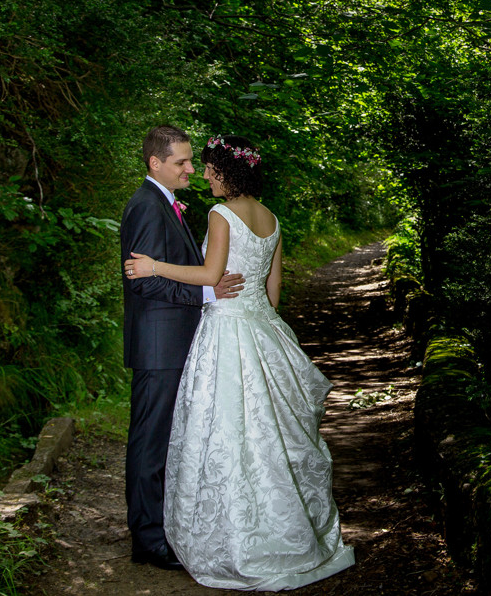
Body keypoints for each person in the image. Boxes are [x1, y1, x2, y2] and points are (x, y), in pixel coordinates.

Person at [124, 134, 354, 590]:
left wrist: (156, 267)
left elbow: (211, 275)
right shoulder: (270, 217)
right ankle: (263, 530)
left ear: (227, 171)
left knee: (224, 430)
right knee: (264, 433)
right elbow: (271, 293)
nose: (200, 172)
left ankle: (221, 533)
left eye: (206, 166)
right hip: (254, 329)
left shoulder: (219, 213)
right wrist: (233, 302)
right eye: (190, 164)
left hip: (225, 331)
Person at [120, 125, 244, 570]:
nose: (191, 168)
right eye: (182, 163)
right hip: (158, 347)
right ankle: (148, 540)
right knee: (150, 444)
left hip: (171, 343)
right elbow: (145, 281)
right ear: (156, 163)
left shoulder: (161, 203)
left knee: (166, 442)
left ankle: (160, 529)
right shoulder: (146, 208)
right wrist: (208, 294)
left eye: (192, 161)